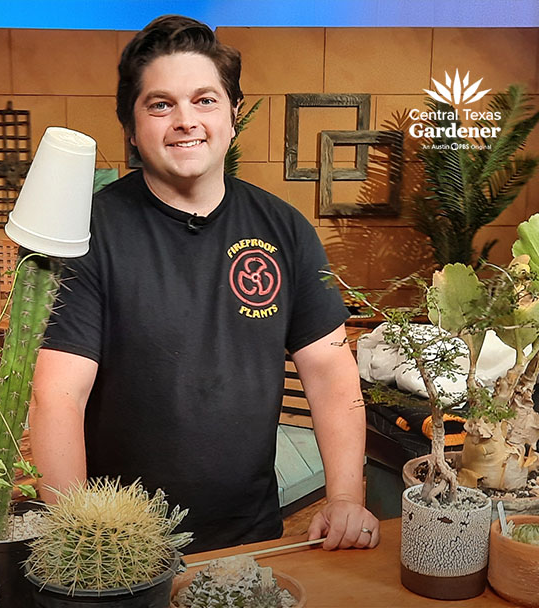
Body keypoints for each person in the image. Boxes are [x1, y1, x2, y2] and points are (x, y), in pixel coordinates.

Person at [29, 15, 380, 554]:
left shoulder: (284, 229)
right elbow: (58, 393)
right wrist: (80, 534)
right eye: (161, 104)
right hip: (120, 542)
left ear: (234, 114)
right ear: (130, 125)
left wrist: (345, 496)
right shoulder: (88, 232)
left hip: (250, 532)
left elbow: (331, 373)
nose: (185, 120)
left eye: (205, 100)